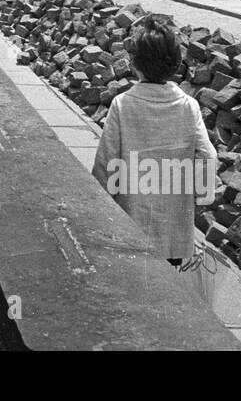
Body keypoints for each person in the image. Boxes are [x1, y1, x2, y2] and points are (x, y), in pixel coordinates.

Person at [89, 21, 218, 266]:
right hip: (173, 232)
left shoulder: (122, 104)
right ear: (176, 64)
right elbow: (207, 157)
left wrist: (99, 211)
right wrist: (199, 200)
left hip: (129, 224)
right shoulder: (188, 106)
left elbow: (105, 165)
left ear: (136, 65)